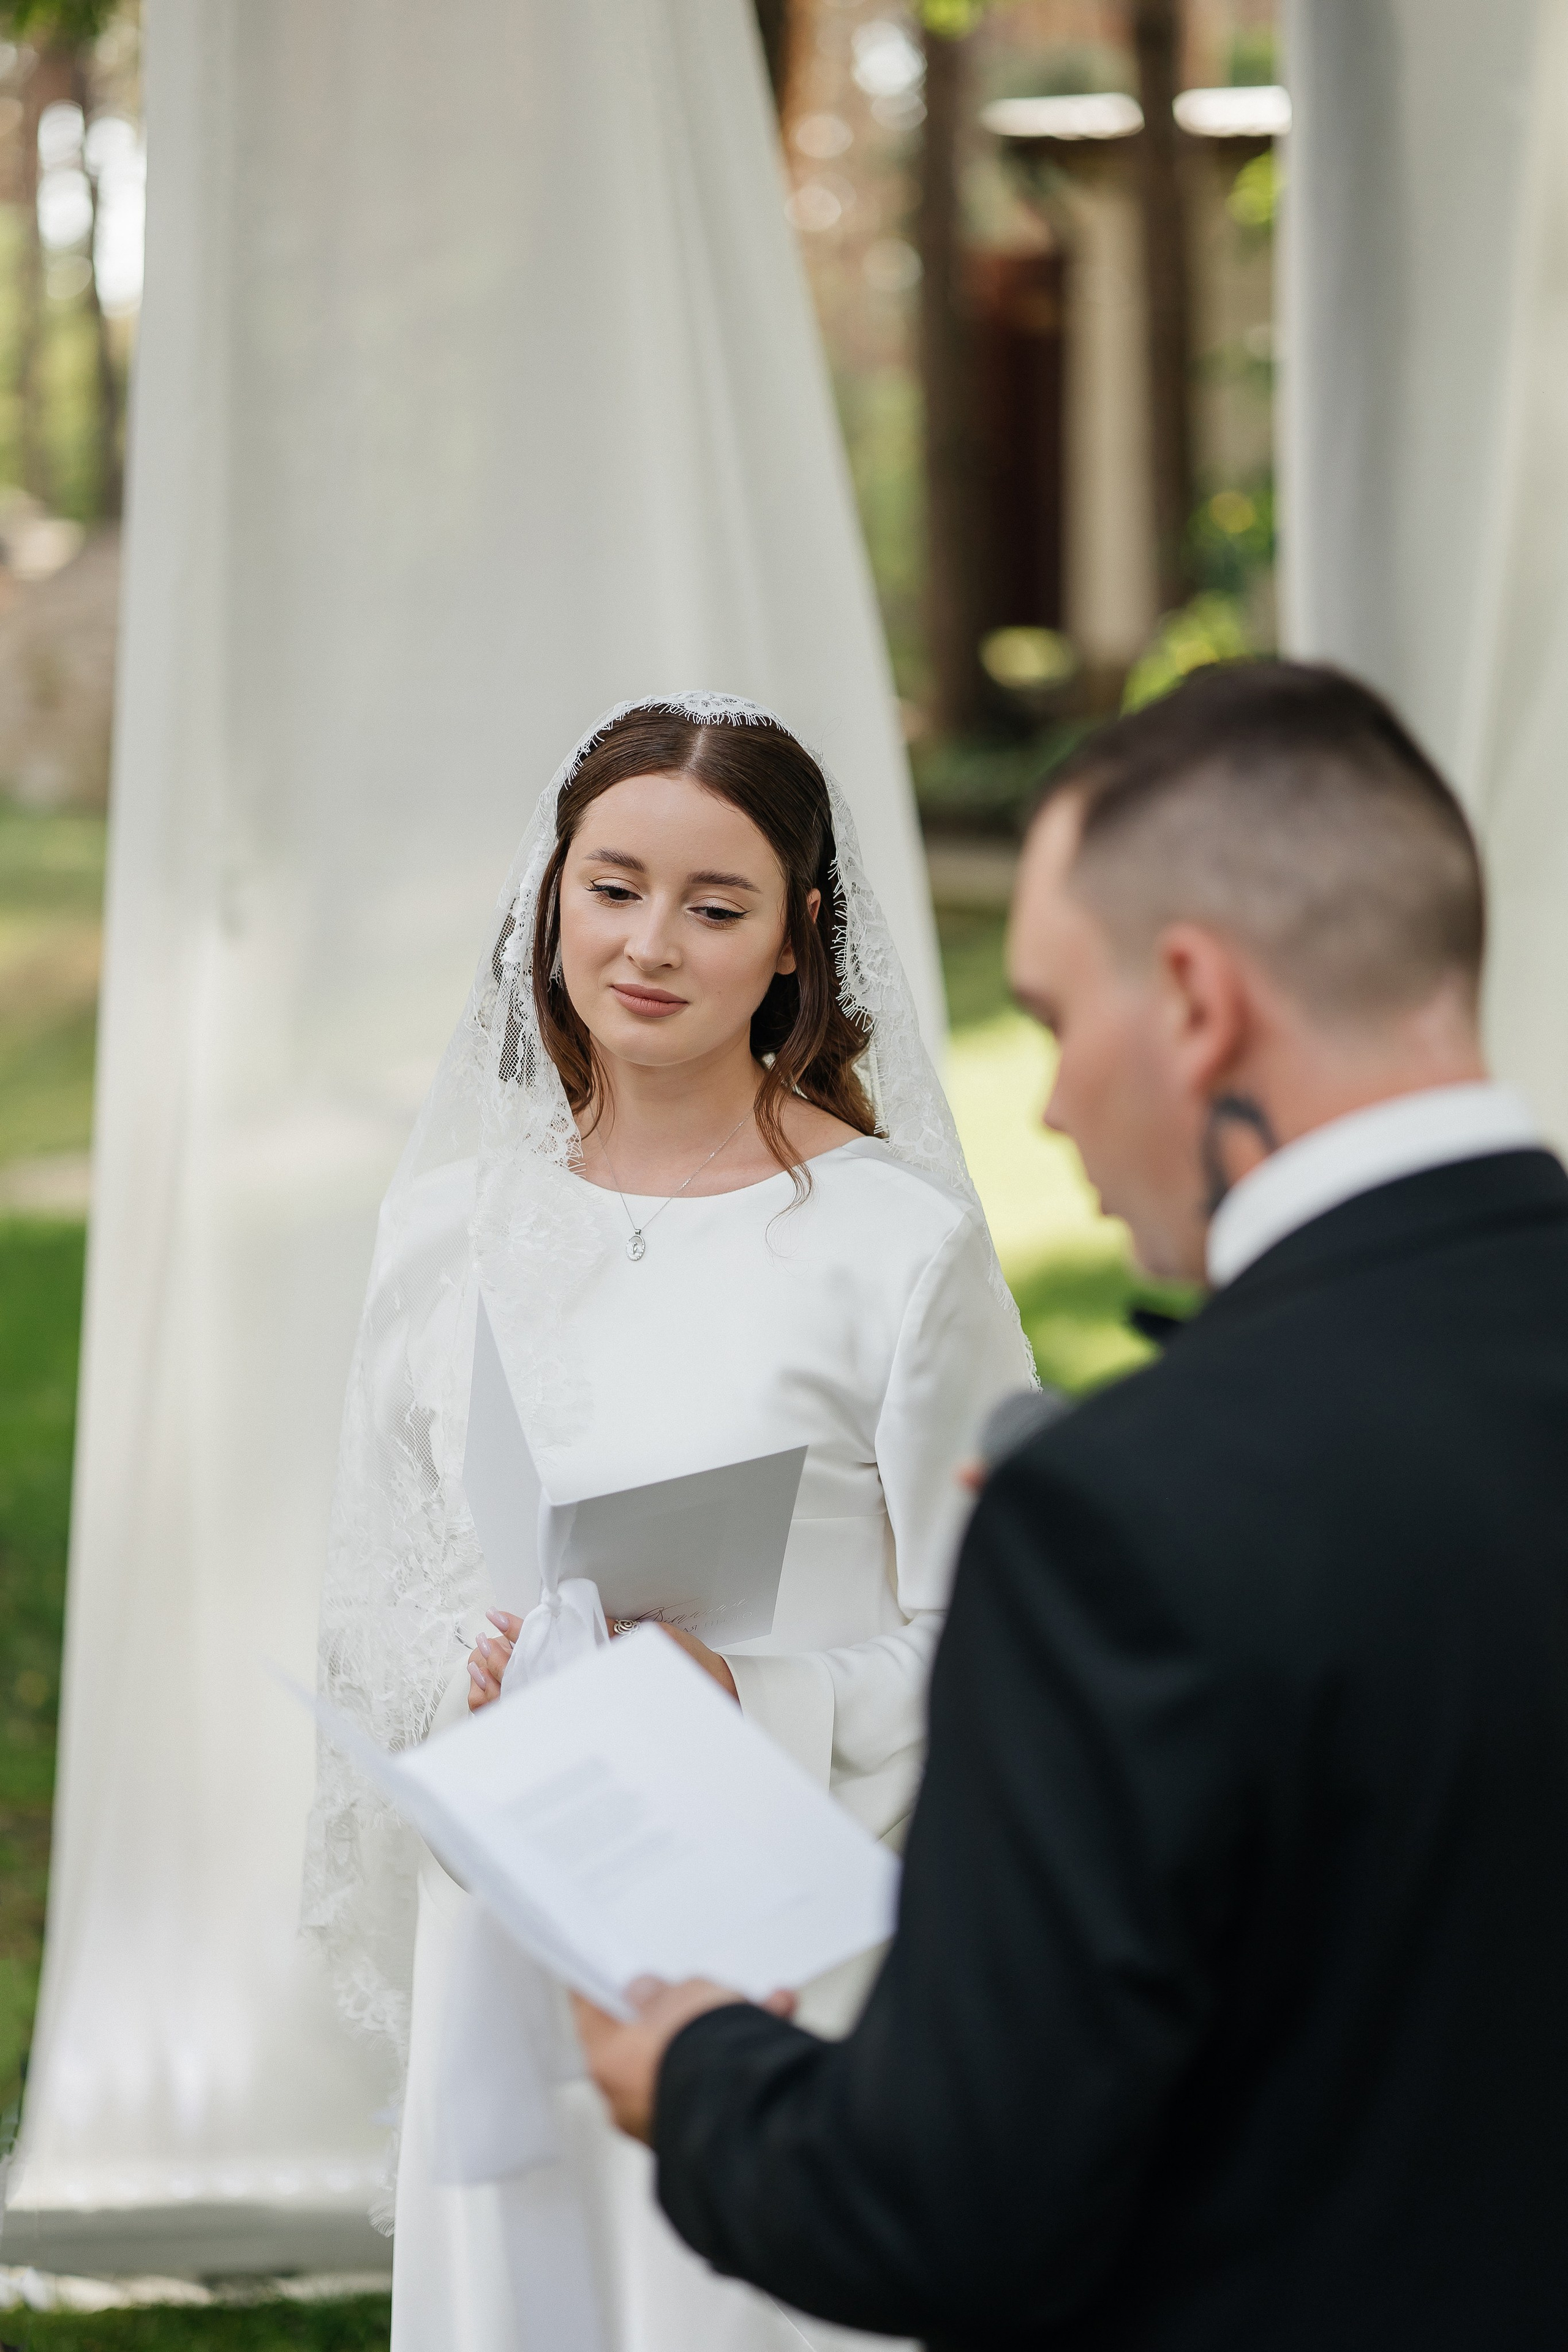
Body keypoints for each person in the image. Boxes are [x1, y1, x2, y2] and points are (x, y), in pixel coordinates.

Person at [576, 661, 1568, 2350]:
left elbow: (946, 2205)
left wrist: (703, 2078)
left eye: (1048, 1019)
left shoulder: (1122, 1524)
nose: (1042, 1105)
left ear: (1193, 1001)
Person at [303, 693, 1032, 2352]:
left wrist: (750, 1694)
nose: (650, 944)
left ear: (796, 943)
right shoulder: (444, 1231)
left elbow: (1000, 1626)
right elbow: (374, 1587)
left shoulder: (890, 1250)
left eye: (716, 907)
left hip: (775, 1943)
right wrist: (468, 1670)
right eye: (613, 888)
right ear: (550, 896)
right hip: (509, 1915)